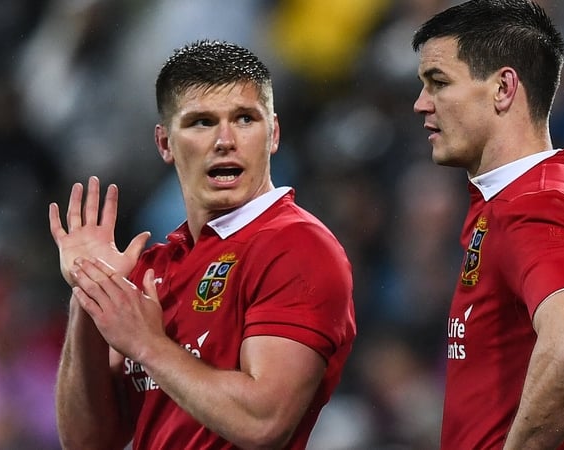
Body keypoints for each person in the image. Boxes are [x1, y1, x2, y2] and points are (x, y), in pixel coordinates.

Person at [48, 40, 356, 450]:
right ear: (165, 144)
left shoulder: (297, 247)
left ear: (274, 133)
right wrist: (90, 291)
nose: (225, 140)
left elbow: (263, 422)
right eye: (201, 122)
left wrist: (149, 345)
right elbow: (87, 441)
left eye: (245, 119)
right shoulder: (155, 268)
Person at [411, 1, 564, 448]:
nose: (421, 104)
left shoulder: (538, 204)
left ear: (503, 88)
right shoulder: (563, 195)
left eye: (439, 82)